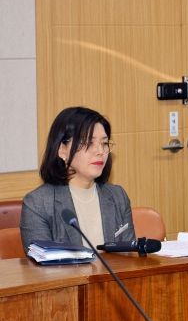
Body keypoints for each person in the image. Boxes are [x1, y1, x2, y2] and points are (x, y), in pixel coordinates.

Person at [20, 107, 135, 251]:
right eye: (88, 143)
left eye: (104, 143)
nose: (100, 151)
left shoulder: (118, 197)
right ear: (62, 150)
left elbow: (130, 257)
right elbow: (43, 264)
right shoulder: (38, 204)